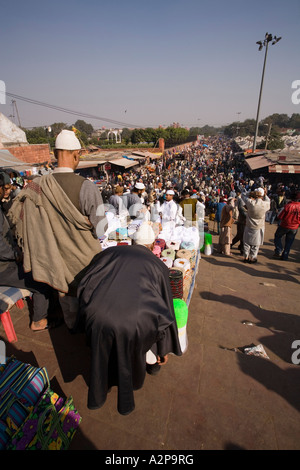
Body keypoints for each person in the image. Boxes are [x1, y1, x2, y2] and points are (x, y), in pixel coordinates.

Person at [77, 222, 182, 415]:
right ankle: (127, 393)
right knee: (131, 349)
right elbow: (166, 308)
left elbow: (85, 282)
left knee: (102, 353)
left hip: (97, 314)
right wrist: (164, 349)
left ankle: (99, 395)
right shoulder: (158, 265)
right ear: (152, 246)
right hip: (135, 321)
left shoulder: (107, 254)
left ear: (132, 241)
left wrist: (85, 313)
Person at [8, 130, 107, 329]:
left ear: (55, 154)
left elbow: (19, 217)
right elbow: (101, 229)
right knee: (89, 299)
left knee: (66, 297)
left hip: (56, 260)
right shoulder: (87, 187)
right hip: (85, 261)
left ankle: (72, 326)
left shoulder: (37, 186)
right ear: (77, 155)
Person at [0, 172, 58, 331]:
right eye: (4, 188)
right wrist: (17, 254)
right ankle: (38, 321)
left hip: (7, 263)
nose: (8, 191)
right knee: (42, 280)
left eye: (9, 188)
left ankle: (48, 310)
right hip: (4, 268)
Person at [242, 187, 270, 263]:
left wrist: (251, 193)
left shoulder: (250, 202)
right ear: (262, 195)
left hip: (249, 225)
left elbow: (243, 195)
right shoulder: (265, 204)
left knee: (246, 242)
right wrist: (265, 194)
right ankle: (253, 257)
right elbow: (268, 200)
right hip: (259, 227)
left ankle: (246, 256)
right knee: (256, 244)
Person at [273, 192, 300, 260]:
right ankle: (285, 255)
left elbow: (280, 216)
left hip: (285, 225)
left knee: (277, 236)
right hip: (294, 227)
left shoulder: (288, 206)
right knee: (289, 242)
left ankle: (279, 249)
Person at [231, 190, 247, 254]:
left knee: (240, 236)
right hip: (242, 223)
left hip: (243, 223)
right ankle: (242, 249)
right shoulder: (242, 206)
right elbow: (243, 213)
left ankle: (239, 247)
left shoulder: (243, 203)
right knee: (241, 236)